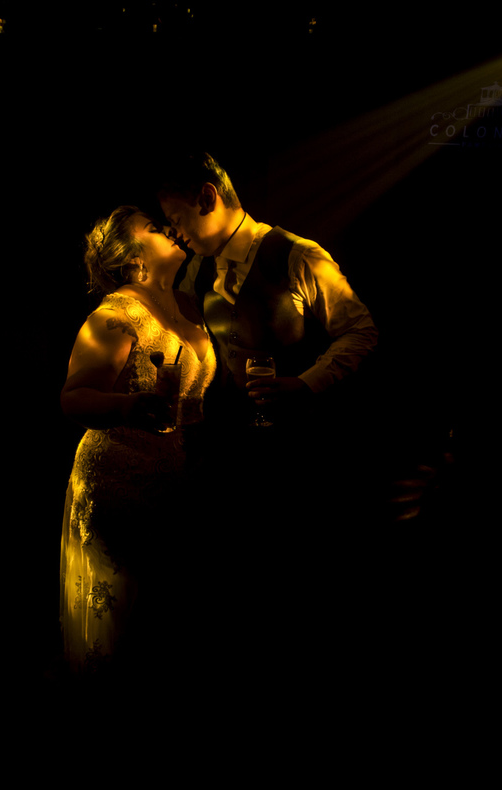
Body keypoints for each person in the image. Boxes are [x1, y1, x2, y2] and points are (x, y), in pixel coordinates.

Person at [157, 152, 379, 677]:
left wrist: (305, 383)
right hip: (233, 457)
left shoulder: (299, 255)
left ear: (207, 197)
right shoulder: (196, 271)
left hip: (304, 456)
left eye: (176, 217)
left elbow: (361, 330)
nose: (173, 232)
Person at [58, 205, 215, 684]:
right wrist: (128, 407)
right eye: (152, 226)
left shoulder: (190, 305)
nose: (168, 228)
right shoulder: (114, 316)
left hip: (178, 488)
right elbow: (73, 398)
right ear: (133, 257)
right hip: (117, 485)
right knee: (121, 641)